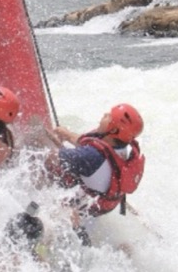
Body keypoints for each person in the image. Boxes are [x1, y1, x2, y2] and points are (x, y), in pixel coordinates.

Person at [43, 103, 146, 244]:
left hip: (83, 210)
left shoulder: (90, 157)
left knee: (47, 187)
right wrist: (67, 135)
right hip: (104, 204)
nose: (104, 114)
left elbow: (50, 159)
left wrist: (40, 141)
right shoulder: (126, 149)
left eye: (109, 116)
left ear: (114, 129)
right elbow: (93, 147)